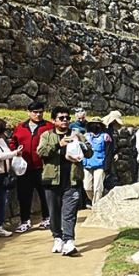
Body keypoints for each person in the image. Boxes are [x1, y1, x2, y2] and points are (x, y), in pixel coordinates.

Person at [37, 106, 93, 256]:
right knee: (54, 212)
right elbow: (41, 152)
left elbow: (89, 152)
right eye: (61, 118)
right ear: (54, 120)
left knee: (69, 212)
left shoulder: (77, 134)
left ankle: (69, 241)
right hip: (52, 181)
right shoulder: (47, 135)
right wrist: (58, 145)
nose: (65, 121)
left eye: (67, 118)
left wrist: (79, 143)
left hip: (72, 181)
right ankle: (57, 237)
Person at [9, 102, 52, 233]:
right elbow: (12, 142)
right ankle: (25, 221)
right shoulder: (20, 127)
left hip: (43, 167)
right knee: (23, 195)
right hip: (24, 168)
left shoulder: (49, 126)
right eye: (35, 112)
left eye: (40, 112)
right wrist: (15, 150)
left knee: (45, 194)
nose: (38, 114)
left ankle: (47, 218)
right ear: (28, 112)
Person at [82, 118, 111, 204]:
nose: (95, 126)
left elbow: (109, 152)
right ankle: (92, 200)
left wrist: (107, 166)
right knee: (87, 187)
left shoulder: (106, 137)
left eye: (97, 124)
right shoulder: (85, 136)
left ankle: (96, 206)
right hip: (87, 164)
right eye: (93, 124)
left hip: (100, 165)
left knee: (98, 188)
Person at [100, 110, 124, 192]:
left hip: (110, 157)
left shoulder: (111, 130)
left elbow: (114, 144)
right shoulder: (102, 128)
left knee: (109, 178)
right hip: (102, 157)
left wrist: (116, 153)